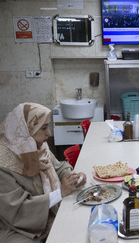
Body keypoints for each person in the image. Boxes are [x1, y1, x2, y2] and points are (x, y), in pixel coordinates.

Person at [0, 103, 87, 243]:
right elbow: (18, 210)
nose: (49, 133)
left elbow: (58, 167)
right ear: (26, 129)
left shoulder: (36, 145)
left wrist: (73, 177)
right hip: (17, 228)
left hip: (44, 212)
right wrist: (60, 193)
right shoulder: (3, 163)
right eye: (44, 128)